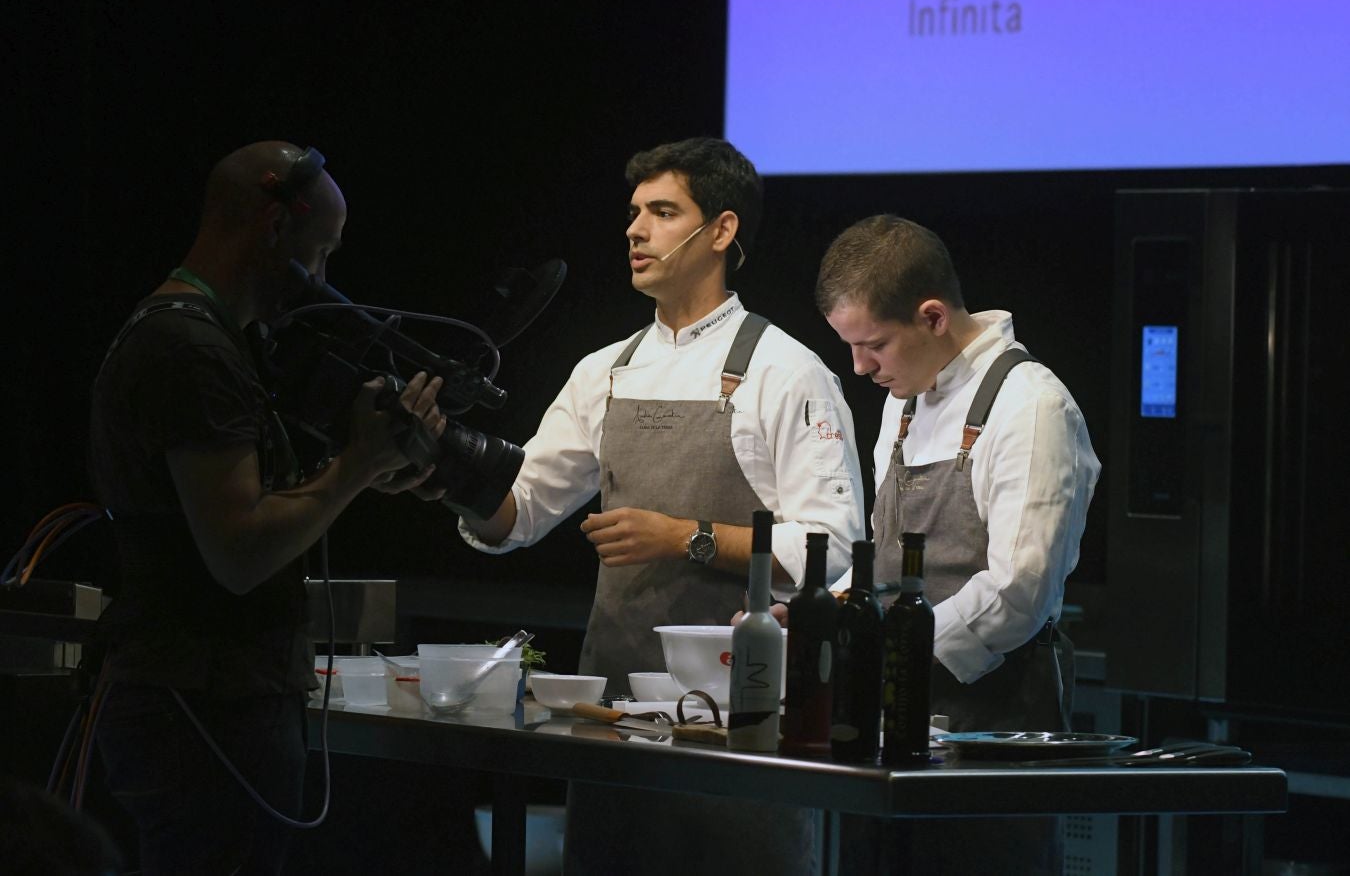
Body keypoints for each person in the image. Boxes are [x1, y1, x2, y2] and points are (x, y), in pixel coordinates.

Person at [459, 137, 864, 875]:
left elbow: (831, 553)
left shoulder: (786, 371)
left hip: (739, 728)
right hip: (614, 720)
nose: (635, 230)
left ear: (722, 230)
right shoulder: (604, 372)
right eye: (634, 213)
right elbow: (516, 515)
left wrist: (686, 536)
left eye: (662, 211)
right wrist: (447, 470)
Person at [87, 141, 445, 875]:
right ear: (276, 228)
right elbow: (240, 551)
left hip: (204, 697)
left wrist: (361, 472)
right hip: (205, 703)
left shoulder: (205, 339)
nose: (321, 280)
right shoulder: (189, 350)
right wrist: (353, 467)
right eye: (320, 254)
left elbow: (234, 516)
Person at [815, 214, 1101, 874]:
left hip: (993, 728)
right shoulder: (905, 398)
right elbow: (889, 554)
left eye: (874, 345)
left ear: (934, 317)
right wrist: (834, 609)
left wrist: (892, 645)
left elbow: (1020, 592)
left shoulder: (1031, 406)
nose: (859, 367)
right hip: (890, 729)